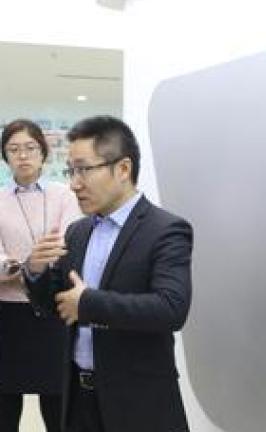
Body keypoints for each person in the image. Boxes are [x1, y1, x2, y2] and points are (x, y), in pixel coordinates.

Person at [25, 115, 193, 432]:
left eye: (84, 169)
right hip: (78, 399)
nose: (74, 183)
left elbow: (171, 308)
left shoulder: (166, 230)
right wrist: (35, 271)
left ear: (123, 169)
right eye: (71, 171)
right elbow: (56, 304)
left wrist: (88, 304)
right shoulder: (77, 231)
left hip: (137, 404)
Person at [0, 119, 81, 432]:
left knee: (56, 401)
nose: (23, 155)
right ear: (5, 156)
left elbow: (67, 247)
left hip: (53, 309)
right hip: (9, 312)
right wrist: (25, 265)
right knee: (8, 403)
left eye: (30, 148)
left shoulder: (65, 195)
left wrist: (35, 264)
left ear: (43, 152)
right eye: (14, 149)